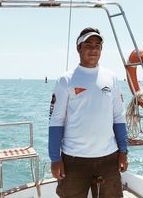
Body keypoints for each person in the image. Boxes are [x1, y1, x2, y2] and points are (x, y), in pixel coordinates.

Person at [48, 27, 128, 198]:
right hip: (74, 160)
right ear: (79, 48)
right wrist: (55, 158)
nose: (93, 49)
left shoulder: (111, 77)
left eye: (97, 45)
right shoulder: (66, 80)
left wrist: (123, 151)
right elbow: (56, 121)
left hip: (109, 158)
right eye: (88, 45)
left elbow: (118, 117)